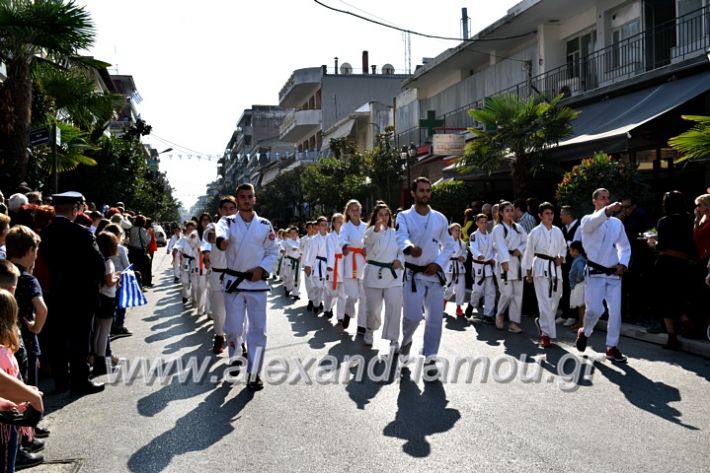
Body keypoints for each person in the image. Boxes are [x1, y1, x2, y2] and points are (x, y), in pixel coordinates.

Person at [39, 191, 105, 395]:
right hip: (82, 293)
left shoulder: (46, 233)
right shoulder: (82, 233)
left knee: (58, 337)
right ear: (75, 210)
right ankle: (79, 381)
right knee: (80, 338)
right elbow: (98, 264)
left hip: (57, 290)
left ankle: (61, 381)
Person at [215, 184, 278, 391]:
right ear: (237, 199)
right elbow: (220, 232)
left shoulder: (264, 224)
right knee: (233, 328)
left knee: (258, 330)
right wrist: (221, 241)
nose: (246, 200)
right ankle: (234, 358)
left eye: (250, 197)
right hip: (234, 282)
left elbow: (272, 251)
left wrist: (262, 268)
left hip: (256, 283)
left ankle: (254, 372)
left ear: (255, 199)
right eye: (242, 197)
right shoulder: (227, 221)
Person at [396, 177, 455, 361]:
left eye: (428, 190)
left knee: (435, 320)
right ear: (413, 193)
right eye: (421, 190)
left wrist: (438, 263)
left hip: (434, 275)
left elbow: (449, 246)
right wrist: (410, 248)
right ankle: (406, 341)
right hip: (413, 274)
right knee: (413, 317)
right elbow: (401, 236)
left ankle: (430, 357)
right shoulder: (404, 216)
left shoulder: (440, 218)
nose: (425, 194)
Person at [575, 188, 631, 362]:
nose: (606, 200)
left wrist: (623, 263)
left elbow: (624, 246)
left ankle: (611, 347)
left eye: (608, 198)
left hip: (614, 274)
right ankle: (585, 331)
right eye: (602, 198)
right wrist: (607, 210)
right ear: (594, 201)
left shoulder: (617, 224)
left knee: (616, 312)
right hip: (595, 273)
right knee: (595, 310)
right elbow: (596, 220)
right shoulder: (587, 221)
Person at [649, 191, 695, 350]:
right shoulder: (690, 219)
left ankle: (672, 336)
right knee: (680, 293)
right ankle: (686, 320)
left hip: (666, 262)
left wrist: (653, 242)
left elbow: (662, 245)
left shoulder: (664, 221)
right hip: (684, 262)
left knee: (664, 297)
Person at [6, 226, 47, 386]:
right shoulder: (27, 279)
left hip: (5, 336)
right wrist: (36, 328)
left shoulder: (4, 272)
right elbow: (41, 309)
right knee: (29, 384)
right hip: (25, 339)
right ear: (31, 250)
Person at [522, 202, 567, 348]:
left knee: (555, 300)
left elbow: (563, 248)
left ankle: (542, 323)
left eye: (552, 213)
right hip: (540, 267)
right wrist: (528, 273)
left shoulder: (558, 231)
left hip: (555, 268)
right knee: (544, 302)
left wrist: (561, 257)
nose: (550, 216)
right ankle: (545, 335)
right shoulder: (534, 232)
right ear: (540, 216)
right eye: (547, 213)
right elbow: (528, 253)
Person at [363, 202, 403, 348]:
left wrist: (400, 260)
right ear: (375, 216)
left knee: (395, 307)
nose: (384, 217)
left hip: (393, 276)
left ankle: (394, 339)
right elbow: (368, 241)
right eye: (381, 214)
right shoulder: (370, 232)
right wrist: (376, 230)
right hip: (374, 274)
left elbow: (402, 250)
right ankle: (369, 330)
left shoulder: (396, 233)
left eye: (386, 214)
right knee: (373, 309)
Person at [203, 196, 237, 354]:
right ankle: (219, 336)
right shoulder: (213, 226)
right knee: (219, 311)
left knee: (237, 311)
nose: (228, 212)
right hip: (218, 275)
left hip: (237, 276)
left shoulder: (242, 227)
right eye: (225, 209)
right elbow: (209, 236)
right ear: (219, 210)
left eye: (231, 209)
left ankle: (237, 341)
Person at [92, 232, 120, 377]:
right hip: (107, 298)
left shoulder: (97, 260)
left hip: (98, 297)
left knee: (98, 331)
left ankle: (97, 358)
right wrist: (117, 278)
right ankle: (101, 361)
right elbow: (109, 282)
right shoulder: (108, 262)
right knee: (104, 332)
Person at [340, 200, 368, 334]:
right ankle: (347, 312)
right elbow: (342, 238)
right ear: (348, 212)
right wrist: (345, 246)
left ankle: (361, 325)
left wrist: (367, 249)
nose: (355, 212)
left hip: (363, 262)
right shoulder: (346, 226)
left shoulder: (365, 226)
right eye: (352, 210)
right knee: (353, 296)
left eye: (357, 209)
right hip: (350, 261)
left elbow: (370, 240)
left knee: (364, 296)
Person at [466, 214, 496, 323]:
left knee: (490, 291)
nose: (484, 224)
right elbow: (472, 247)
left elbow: (494, 250)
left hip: (488, 266)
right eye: (481, 222)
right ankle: (471, 304)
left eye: (485, 222)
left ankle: (488, 314)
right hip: (478, 266)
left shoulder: (491, 236)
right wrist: (478, 255)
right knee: (477, 290)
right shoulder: (474, 235)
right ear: (477, 223)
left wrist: (494, 259)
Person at [103, 224, 131, 336]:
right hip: (119, 278)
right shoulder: (120, 248)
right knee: (120, 304)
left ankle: (111, 326)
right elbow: (126, 265)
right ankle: (119, 326)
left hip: (106, 277)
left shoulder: (101, 246)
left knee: (111, 304)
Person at [559, 205, 581, 326]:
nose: (560, 216)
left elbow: (578, 245)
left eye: (562, 214)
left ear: (568, 215)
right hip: (565, 263)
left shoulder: (579, 227)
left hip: (575, 263)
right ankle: (565, 314)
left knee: (574, 288)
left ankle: (573, 316)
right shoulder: (563, 229)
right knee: (565, 288)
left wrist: (566, 243)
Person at [303, 217, 329, 315]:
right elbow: (311, 254)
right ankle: (316, 303)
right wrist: (308, 266)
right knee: (317, 287)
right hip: (317, 265)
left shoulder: (331, 238)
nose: (325, 227)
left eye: (326, 224)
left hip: (329, 265)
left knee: (328, 289)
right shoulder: (314, 240)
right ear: (317, 227)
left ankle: (328, 308)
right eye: (322, 225)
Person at [325, 214, 346, 322]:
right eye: (339, 222)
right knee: (331, 293)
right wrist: (330, 265)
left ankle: (340, 317)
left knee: (343, 293)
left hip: (344, 266)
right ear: (333, 223)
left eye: (342, 222)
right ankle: (328, 308)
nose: (341, 224)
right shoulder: (330, 237)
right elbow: (330, 251)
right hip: (334, 265)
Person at [444, 223, 467, 318]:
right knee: (448, 288)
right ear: (451, 231)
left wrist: (463, 257)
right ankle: (444, 300)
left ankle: (458, 307)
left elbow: (465, 253)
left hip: (459, 268)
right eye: (455, 230)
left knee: (460, 289)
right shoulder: (446, 242)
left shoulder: (462, 243)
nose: (457, 232)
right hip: (448, 267)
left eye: (458, 230)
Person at [568, 241, 587, 330]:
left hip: (580, 285)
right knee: (580, 306)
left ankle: (583, 326)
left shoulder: (579, 260)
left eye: (570, 250)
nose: (570, 252)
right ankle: (580, 323)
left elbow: (581, 271)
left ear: (575, 251)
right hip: (578, 285)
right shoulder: (578, 259)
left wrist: (578, 279)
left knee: (582, 306)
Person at [281, 227, 302, 300]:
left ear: (297, 233)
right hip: (289, 262)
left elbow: (302, 250)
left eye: (294, 233)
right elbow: (282, 247)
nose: (293, 234)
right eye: (291, 233)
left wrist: (301, 255)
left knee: (297, 278)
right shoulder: (287, 242)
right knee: (289, 278)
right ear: (289, 234)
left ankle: (295, 293)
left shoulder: (300, 241)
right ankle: (288, 289)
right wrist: (282, 250)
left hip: (298, 262)